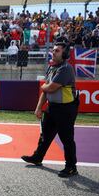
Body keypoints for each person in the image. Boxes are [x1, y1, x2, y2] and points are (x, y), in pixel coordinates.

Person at [21, 42, 79, 178]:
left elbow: (51, 88)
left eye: (57, 51)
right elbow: (45, 91)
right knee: (45, 136)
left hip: (66, 109)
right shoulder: (52, 67)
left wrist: (43, 86)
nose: (53, 52)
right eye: (53, 50)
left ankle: (71, 167)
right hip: (52, 107)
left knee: (67, 139)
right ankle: (37, 157)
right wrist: (38, 108)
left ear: (64, 54)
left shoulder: (66, 68)